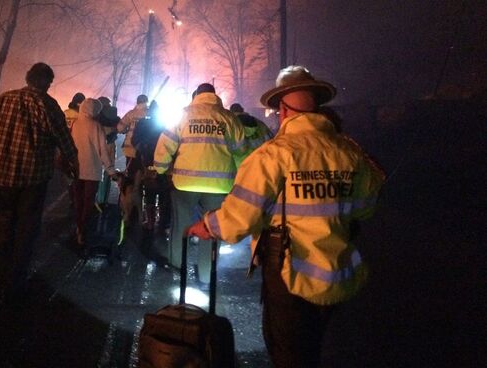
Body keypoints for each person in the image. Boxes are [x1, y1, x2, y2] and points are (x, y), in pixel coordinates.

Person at [187, 65, 385, 367]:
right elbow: (366, 207)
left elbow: (240, 216)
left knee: (289, 355)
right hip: (338, 272)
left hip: (289, 272)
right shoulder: (349, 153)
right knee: (322, 351)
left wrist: (208, 226)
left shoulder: (274, 154)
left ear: (283, 109)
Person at [0, 62, 78, 305]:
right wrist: (74, 162)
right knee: (26, 227)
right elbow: (64, 140)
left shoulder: (5, 99)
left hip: (1, 174)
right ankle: (15, 280)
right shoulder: (47, 104)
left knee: (5, 221)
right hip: (32, 177)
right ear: (47, 82)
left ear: (28, 78)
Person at [153, 83, 248, 285]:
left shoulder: (184, 114)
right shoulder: (228, 118)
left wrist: (160, 169)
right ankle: (206, 274)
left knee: (181, 226)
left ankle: (177, 268)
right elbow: (241, 152)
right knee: (211, 229)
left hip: (184, 183)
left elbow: (166, 143)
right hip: (219, 185)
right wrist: (241, 176)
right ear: (214, 96)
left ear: (197, 95)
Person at [70, 98, 117, 247]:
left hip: (77, 169)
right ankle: (84, 232)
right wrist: (110, 170)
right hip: (92, 171)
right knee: (88, 203)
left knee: (78, 201)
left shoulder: (75, 124)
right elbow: (102, 150)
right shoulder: (95, 126)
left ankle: (78, 228)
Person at [132, 100, 171, 234]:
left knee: (148, 192)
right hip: (161, 162)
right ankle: (161, 222)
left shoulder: (142, 123)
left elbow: (134, 141)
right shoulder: (163, 125)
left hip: (145, 162)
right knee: (162, 192)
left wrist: (141, 151)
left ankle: (149, 221)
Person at [96, 96, 121, 206]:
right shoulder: (114, 117)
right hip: (111, 145)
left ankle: (99, 201)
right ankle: (104, 200)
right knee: (108, 172)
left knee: (100, 173)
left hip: (101, 146)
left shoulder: (97, 117)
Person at [117, 94, 148, 177]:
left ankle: (129, 187)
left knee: (130, 172)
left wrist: (126, 130)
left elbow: (120, 128)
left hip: (130, 147)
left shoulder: (131, 114)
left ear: (137, 102)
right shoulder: (149, 114)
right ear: (146, 102)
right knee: (141, 170)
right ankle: (137, 188)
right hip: (144, 149)